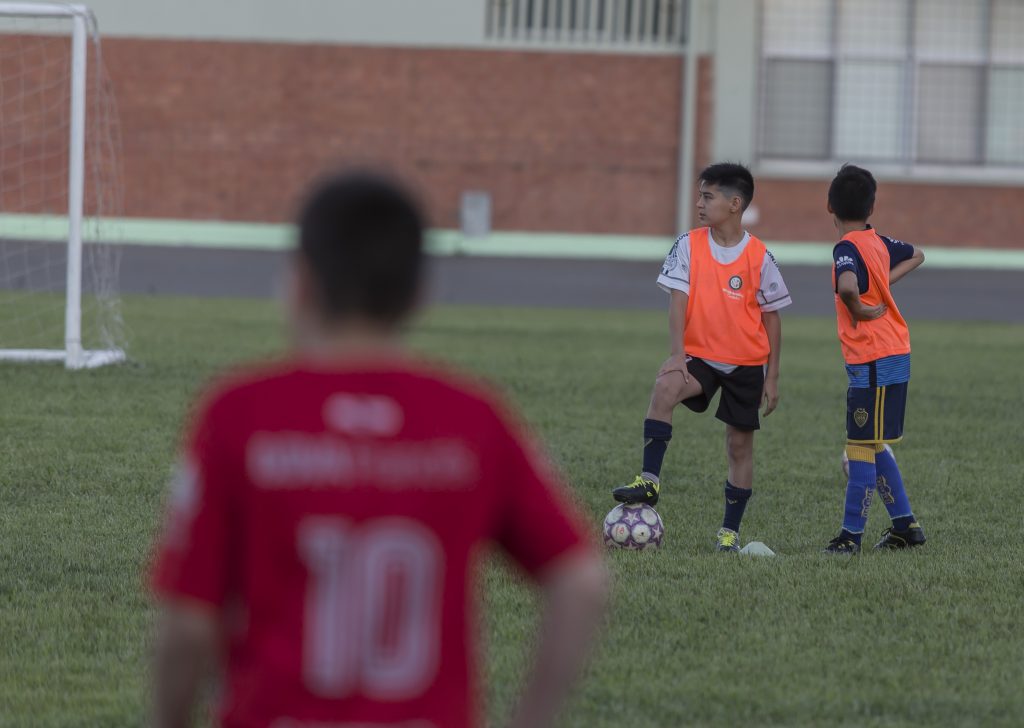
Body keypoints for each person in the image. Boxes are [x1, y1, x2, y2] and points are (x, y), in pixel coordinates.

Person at [149, 172, 608, 728]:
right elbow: (580, 580)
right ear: (418, 294)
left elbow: (190, 622)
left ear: (300, 282)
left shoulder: (239, 414)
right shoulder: (471, 418)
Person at [611, 162, 791, 552]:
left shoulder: (759, 256)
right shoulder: (688, 244)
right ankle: (649, 480)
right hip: (701, 358)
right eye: (700, 195)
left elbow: (772, 319)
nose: (699, 203)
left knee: (739, 446)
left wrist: (772, 377)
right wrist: (678, 355)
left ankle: (729, 533)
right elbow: (678, 302)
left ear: (734, 203)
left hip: (746, 364)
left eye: (708, 197)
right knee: (665, 386)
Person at [823, 164, 926, 554]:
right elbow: (917, 254)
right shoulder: (878, 242)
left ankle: (850, 537)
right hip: (890, 353)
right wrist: (883, 282)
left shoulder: (846, 248)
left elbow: (848, 285)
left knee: (860, 446)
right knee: (874, 442)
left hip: (874, 358)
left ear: (829, 205)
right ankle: (906, 527)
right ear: (872, 207)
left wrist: (860, 307)